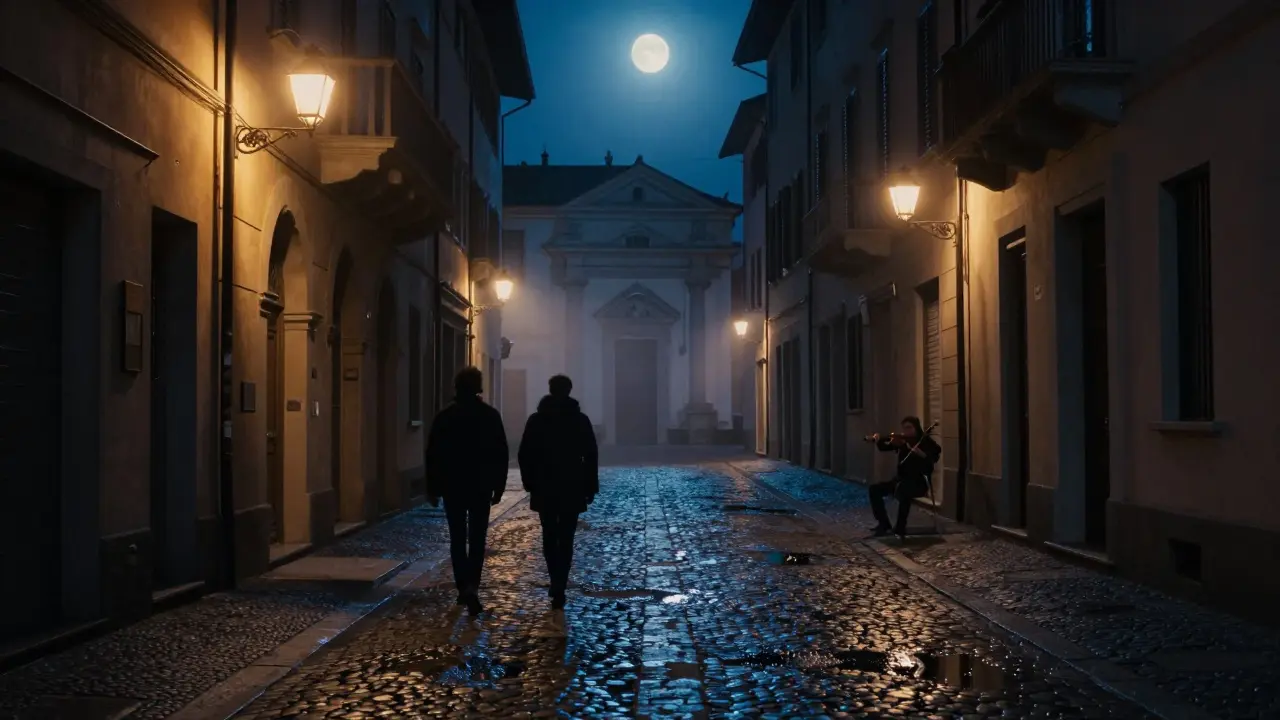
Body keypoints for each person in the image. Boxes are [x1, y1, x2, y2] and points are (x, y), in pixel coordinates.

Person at [426, 366, 509, 615]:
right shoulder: (490, 416)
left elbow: (433, 454)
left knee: (457, 537)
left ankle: (463, 585)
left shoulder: (445, 417)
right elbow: (501, 453)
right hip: (480, 485)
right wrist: (499, 486)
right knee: (477, 537)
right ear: (478, 388)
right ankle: (473, 584)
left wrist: (433, 487)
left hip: (454, 485)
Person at [517, 374, 599, 610]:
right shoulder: (579, 419)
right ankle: (560, 581)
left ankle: (555, 579)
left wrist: (529, 481)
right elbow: (590, 454)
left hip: (545, 484)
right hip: (572, 484)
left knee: (549, 533)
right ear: (569, 390)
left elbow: (525, 453)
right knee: (567, 536)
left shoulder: (537, 419)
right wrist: (590, 485)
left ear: (550, 390)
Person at [865, 416, 940, 539]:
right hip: (900, 480)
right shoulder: (903, 442)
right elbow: (885, 447)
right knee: (874, 489)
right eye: (904, 428)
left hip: (919, 482)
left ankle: (900, 528)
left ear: (916, 427)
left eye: (909, 428)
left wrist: (922, 454)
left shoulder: (925, 442)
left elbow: (933, 458)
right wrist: (878, 440)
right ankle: (884, 524)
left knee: (905, 491)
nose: (906, 431)